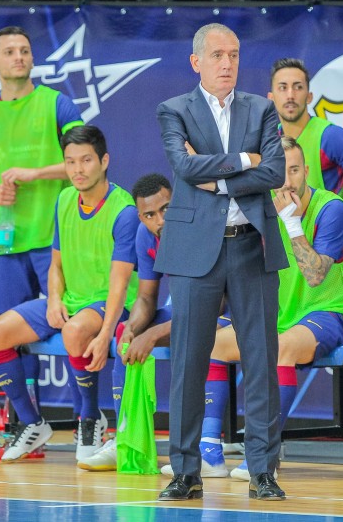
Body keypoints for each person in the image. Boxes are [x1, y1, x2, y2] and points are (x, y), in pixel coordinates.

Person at [155, 23, 287, 502]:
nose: (227, 63)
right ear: (196, 62)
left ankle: (263, 471)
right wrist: (243, 159)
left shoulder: (262, 107)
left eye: (233, 54)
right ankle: (185, 471)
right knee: (189, 362)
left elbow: (274, 172)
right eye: (217, 55)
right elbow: (185, 168)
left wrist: (223, 177)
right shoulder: (174, 110)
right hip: (195, 250)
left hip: (252, 245)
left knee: (260, 363)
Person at [186, 136, 343, 482]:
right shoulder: (263, 206)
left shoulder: (332, 210)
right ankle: (209, 450)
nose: (288, 181)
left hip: (333, 310)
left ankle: (263, 451)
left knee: (280, 348)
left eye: (295, 170)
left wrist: (291, 222)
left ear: (307, 171)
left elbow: (314, 275)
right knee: (212, 342)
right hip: (281, 312)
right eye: (280, 172)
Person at [0, 125, 139, 464]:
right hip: (69, 301)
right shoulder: (65, 199)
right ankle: (32, 423)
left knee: (74, 330)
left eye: (86, 160)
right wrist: (53, 299)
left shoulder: (124, 210)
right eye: (70, 162)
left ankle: (90, 417)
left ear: (104, 161)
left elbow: (120, 284)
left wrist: (107, 332)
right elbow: (56, 265)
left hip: (114, 304)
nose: (78, 170)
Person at [0, 25, 83, 406]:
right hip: (4, 242)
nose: (19, 57)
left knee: (71, 326)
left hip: (53, 240)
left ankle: (85, 420)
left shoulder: (56, 103)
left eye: (25, 50)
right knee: (5, 333)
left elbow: (83, 161)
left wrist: (35, 173)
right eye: (9, 52)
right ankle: (22, 423)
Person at [269, 58, 343, 461]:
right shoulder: (264, 141)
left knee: (334, 322)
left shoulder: (328, 137)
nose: (290, 94)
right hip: (287, 255)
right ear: (272, 96)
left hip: (324, 252)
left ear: (309, 94)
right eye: (282, 87)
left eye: (297, 86)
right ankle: (235, 437)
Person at [77, 173, 232, 471]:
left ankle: (210, 449)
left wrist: (154, 334)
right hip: (187, 312)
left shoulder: (200, 229)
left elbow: (213, 306)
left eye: (166, 209)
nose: (160, 220)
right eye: (150, 214)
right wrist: (134, 328)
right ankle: (126, 438)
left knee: (209, 336)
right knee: (124, 334)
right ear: (141, 217)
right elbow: (147, 298)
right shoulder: (145, 235)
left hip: (229, 315)